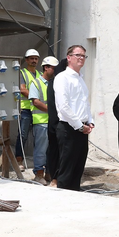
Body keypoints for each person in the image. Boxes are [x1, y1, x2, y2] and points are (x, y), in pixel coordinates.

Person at [54, 45, 94, 191]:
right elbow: (63, 106)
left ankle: (75, 194)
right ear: (69, 57)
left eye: (83, 56)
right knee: (67, 169)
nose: (81, 58)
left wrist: (90, 121)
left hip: (82, 128)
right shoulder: (62, 78)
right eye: (78, 55)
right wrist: (79, 125)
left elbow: (85, 103)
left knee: (78, 168)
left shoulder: (80, 79)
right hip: (68, 128)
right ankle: (63, 197)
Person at [29, 55, 59, 185]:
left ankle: (49, 173)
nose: (55, 71)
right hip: (41, 121)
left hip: (52, 122)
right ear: (46, 68)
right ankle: (39, 174)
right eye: (53, 68)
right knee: (41, 150)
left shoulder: (55, 83)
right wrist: (52, 111)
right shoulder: (36, 83)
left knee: (51, 150)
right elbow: (36, 102)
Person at [15, 49, 41, 169]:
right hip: (25, 109)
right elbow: (23, 89)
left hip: (38, 109)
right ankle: (18, 160)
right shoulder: (22, 73)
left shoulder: (40, 74)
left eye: (36, 58)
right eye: (31, 58)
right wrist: (36, 98)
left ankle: (39, 162)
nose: (34, 61)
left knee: (39, 136)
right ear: (26, 60)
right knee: (23, 135)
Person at [46, 57, 68, 188]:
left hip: (59, 124)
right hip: (58, 124)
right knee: (57, 152)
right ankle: (55, 179)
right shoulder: (57, 82)